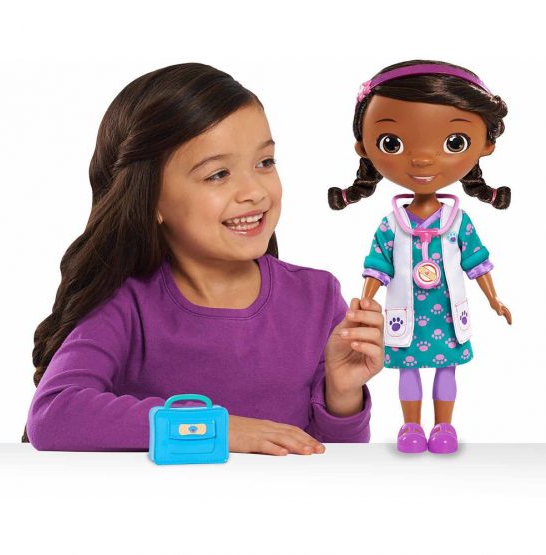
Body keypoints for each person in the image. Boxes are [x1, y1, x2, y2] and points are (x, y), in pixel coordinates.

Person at [25, 63, 384, 455]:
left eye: (265, 162)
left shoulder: (317, 297)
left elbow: (334, 462)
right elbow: (54, 415)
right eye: (218, 174)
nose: (254, 191)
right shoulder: (126, 304)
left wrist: (342, 394)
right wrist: (217, 429)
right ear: (151, 198)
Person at [328, 60, 512, 454]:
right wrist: (366, 300)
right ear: (364, 147)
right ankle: (410, 427)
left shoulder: (457, 221)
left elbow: (476, 261)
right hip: (406, 313)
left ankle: (444, 427)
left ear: (485, 145)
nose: (423, 160)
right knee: (407, 370)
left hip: (447, 313)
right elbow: (377, 265)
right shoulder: (391, 223)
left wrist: (493, 298)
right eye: (392, 143)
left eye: (454, 142)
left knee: (447, 369)